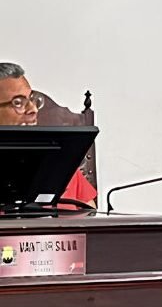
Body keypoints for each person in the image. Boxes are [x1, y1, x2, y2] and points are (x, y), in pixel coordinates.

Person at [0, 63, 97, 208]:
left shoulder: (60, 162)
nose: (33, 109)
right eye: (18, 102)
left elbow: (90, 213)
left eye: (32, 99)